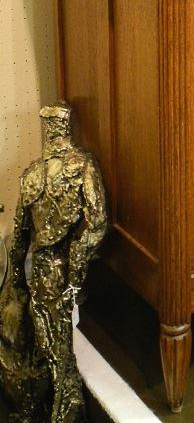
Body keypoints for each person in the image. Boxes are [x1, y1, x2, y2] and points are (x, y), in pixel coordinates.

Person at [9, 104, 107, 422]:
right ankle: (65, 405)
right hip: (58, 266)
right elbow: (97, 222)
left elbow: (18, 241)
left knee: (52, 341)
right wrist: (77, 270)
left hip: (41, 269)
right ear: (66, 128)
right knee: (55, 346)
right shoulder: (80, 165)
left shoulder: (32, 175)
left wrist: (16, 283)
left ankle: (63, 404)